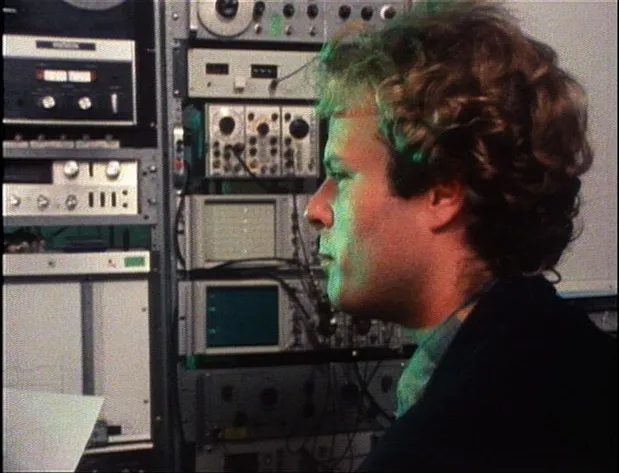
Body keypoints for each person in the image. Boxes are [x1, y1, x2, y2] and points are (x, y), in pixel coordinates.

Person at [303, 1, 617, 471]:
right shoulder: (573, 356)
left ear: (442, 194)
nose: (315, 209)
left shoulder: (444, 446)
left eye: (340, 175)